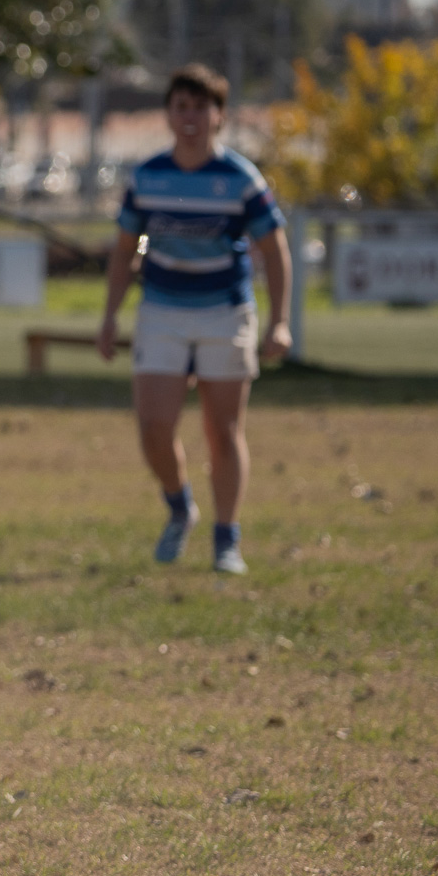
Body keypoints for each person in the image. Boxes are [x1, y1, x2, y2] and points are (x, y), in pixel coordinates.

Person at [97, 63, 292, 575]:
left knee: (222, 431)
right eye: (181, 106)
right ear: (168, 114)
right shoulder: (148, 176)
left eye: (201, 107)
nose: (190, 117)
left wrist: (279, 321)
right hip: (161, 310)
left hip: (225, 312)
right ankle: (180, 506)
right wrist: (109, 316)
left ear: (219, 116)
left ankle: (226, 538)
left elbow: (274, 251)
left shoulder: (241, 178)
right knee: (154, 427)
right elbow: (124, 250)